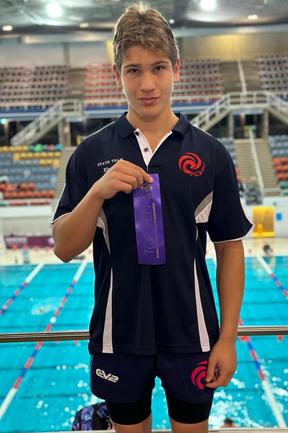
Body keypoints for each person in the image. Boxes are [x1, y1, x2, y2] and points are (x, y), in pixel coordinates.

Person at [52, 4, 252, 433]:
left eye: (158, 68)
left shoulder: (211, 154)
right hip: (119, 335)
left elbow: (230, 248)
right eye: (134, 71)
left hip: (194, 334)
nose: (147, 84)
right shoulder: (90, 153)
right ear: (116, 74)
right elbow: (64, 247)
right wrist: (98, 192)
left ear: (176, 68)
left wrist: (228, 338)